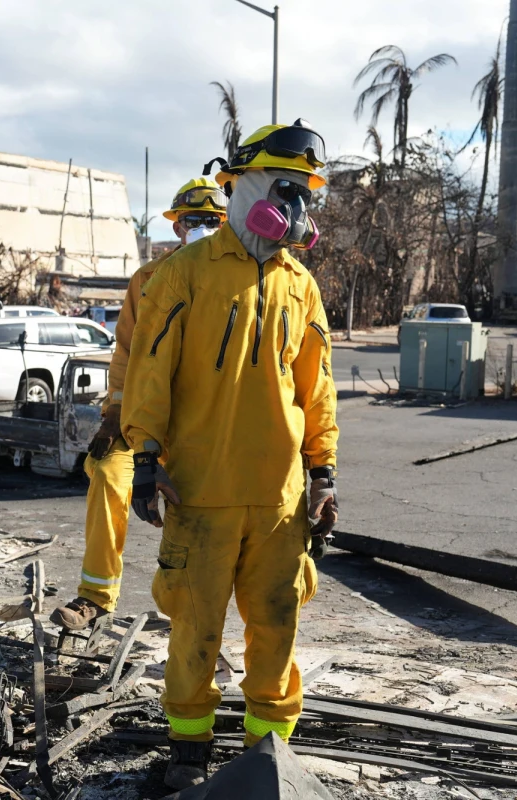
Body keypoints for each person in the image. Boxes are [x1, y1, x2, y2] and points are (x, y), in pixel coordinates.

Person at [120, 120, 339, 789]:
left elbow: (317, 386)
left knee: (276, 629)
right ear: (240, 186)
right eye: (285, 189)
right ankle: (188, 751)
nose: (296, 208)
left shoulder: (299, 284)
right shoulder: (183, 274)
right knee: (195, 630)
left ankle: (270, 762)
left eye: (306, 194)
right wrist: (145, 459)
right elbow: (148, 372)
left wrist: (323, 472)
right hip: (200, 493)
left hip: (279, 499)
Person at [51, 178, 227, 631]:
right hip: (147, 420)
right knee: (108, 476)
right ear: (177, 226)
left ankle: (198, 609)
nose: (201, 228)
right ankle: (95, 596)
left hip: (208, 424)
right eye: (192, 220)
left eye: (212, 220)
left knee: (206, 507)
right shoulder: (148, 280)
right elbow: (126, 352)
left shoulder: (240, 278)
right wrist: (113, 415)